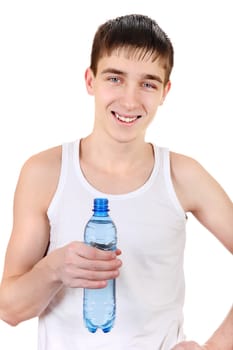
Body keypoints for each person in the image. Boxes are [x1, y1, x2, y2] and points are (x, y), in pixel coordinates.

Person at [0, 13, 232, 350]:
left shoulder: (183, 176)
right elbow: (9, 310)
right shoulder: (44, 173)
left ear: (165, 92)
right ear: (90, 80)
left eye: (148, 83)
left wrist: (216, 347)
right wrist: (53, 269)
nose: (129, 100)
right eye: (115, 78)